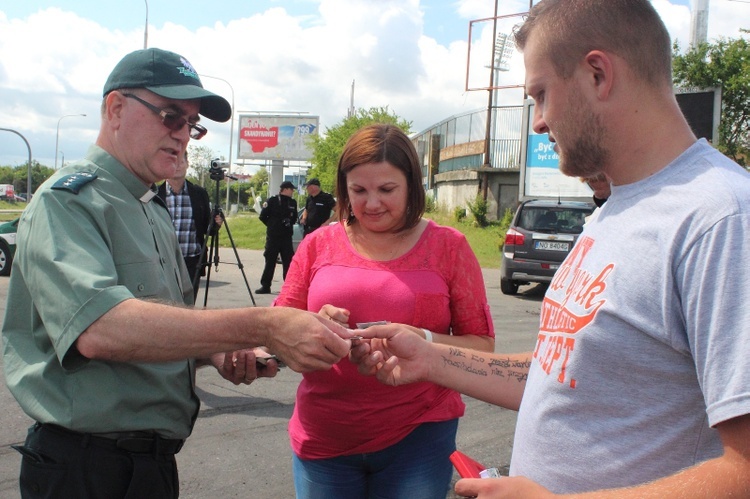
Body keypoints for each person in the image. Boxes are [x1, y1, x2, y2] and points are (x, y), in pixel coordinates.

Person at [353, 1, 750, 497]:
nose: (537, 121)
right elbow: (564, 370)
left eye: (540, 94)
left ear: (598, 74)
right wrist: (431, 359)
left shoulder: (722, 218)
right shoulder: (616, 208)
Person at [2, 47, 354, 499]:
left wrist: (223, 351)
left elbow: (164, 326)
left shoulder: (150, 208)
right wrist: (264, 322)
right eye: (171, 116)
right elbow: (100, 328)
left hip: (149, 466)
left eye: (192, 124)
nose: (184, 135)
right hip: (86, 468)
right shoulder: (68, 201)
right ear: (115, 109)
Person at [275, 124, 495, 498]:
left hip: (419, 434)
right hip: (324, 434)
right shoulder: (317, 245)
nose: (371, 204)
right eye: (358, 190)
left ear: (412, 185)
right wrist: (313, 326)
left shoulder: (448, 247)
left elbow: (483, 347)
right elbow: (278, 328)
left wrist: (423, 340)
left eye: (387, 190)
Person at [157, 150, 221, 301]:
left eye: (181, 162)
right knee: (165, 303)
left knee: (188, 303)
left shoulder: (199, 193)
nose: (177, 166)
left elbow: (207, 229)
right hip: (164, 259)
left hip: (192, 260)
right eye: (173, 162)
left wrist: (216, 225)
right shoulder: (155, 193)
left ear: (187, 164)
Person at [256, 180, 298, 294]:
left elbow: (294, 218)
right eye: (291, 189)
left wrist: (288, 222)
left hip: (286, 237)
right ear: (285, 189)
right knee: (270, 261)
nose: (293, 191)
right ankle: (265, 286)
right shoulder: (273, 200)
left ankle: (289, 287)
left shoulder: (293, 202)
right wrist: (273, 225)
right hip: (273, 237)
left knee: (288, 262)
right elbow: (263, 216)